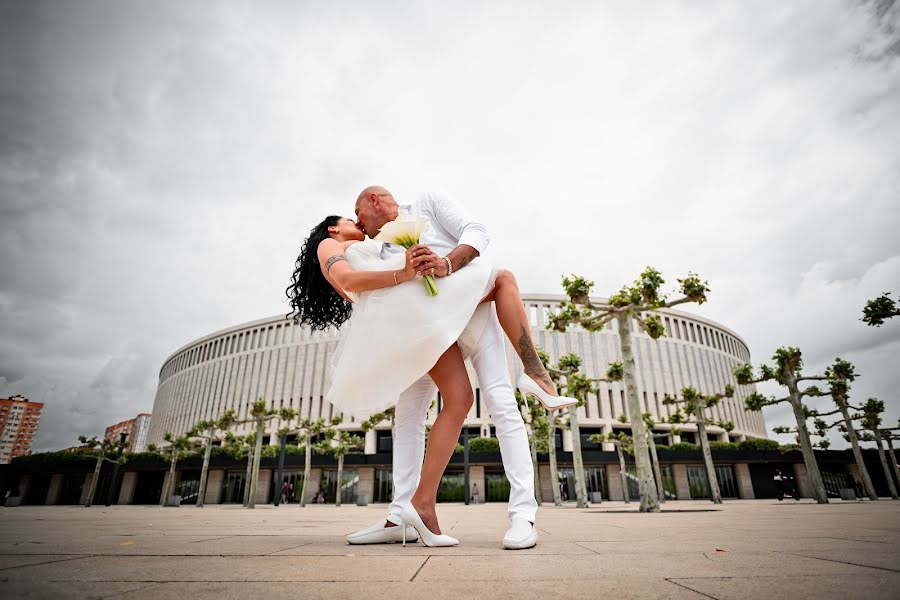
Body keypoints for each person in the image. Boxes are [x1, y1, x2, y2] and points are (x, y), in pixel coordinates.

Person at [286, 187, 575, 549]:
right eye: (349, 220)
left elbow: (477, 232)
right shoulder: (340, 246)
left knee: (489, 399)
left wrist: (441, 264)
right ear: (332, 229)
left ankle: (517, 514)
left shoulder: (422, 208)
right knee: (422, 411)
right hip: (417, 320)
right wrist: (405, 273)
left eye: (357, 213)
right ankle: (406, 513)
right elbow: (349, 284)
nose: (357, 222)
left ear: (374, 198)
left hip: (449, 312)